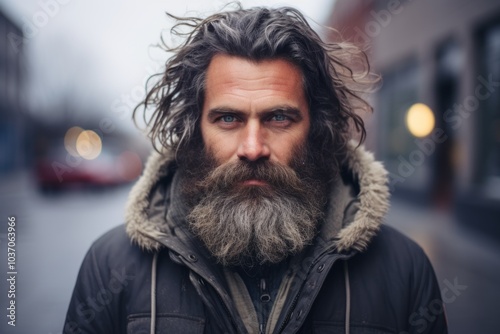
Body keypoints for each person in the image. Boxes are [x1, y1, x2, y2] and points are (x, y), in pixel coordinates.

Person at [64, 5, 447, 334]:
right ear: (194, 130)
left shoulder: (403, 270)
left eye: (279, 117)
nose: (252, 148)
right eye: (228, 118)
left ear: (318, 129)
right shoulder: (112, 265)